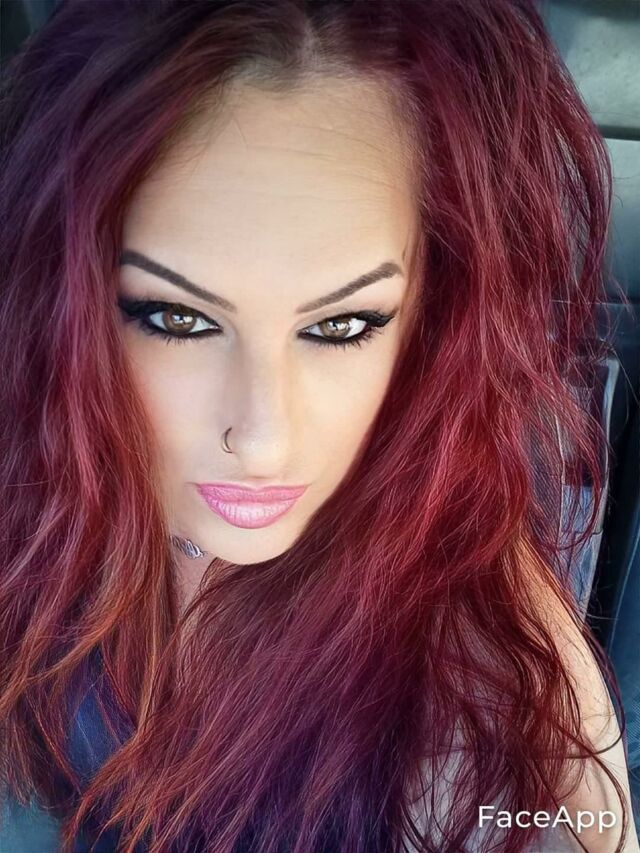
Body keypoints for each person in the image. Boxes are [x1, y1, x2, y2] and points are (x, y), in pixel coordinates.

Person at [1, 1, 638, 851]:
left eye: (341, 325)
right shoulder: (26, 490)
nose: (263, 440)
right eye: (176, 318)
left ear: (431, 313)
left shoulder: (492, 691)